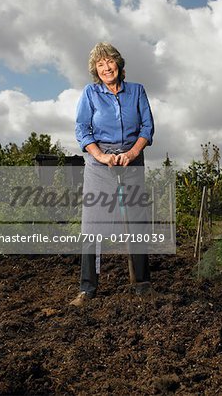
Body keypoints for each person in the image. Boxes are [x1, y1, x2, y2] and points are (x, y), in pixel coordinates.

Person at [70, 42, 154, 307]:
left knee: (137, 221)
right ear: (96, 70)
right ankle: (87, 289)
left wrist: (131, 154)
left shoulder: (137, 91)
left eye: (110, 62)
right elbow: (83, 128)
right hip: (100, 163)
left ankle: (142, 284)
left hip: (132, 160)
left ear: (119, 63)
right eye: (100, 64)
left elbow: (147, 127)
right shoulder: (90, 93)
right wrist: (101, 156)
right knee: (92, 225)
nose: (106, 68)